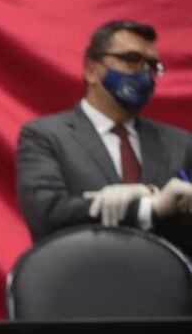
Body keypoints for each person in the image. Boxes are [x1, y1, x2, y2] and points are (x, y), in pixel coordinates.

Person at [16, 19, 192, 252]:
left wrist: (154, 194)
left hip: (169, 283)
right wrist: (147, 206)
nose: (145, 74)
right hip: (83, 278)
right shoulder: (45, 136)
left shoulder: (180, 143)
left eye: (152, 66)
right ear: (91, 71)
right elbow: (49, 213)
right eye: (131, 60)